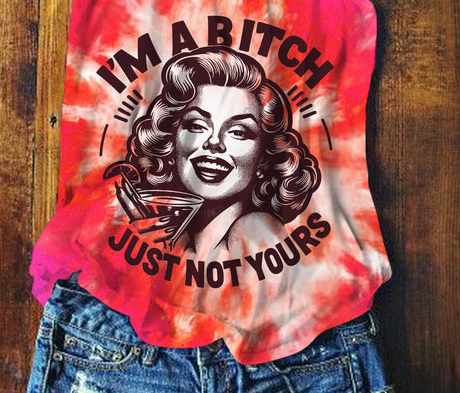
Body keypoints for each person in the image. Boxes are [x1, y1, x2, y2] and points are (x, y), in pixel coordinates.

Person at [105, 46, 321, 258]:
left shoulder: (256, 227)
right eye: (197, 125)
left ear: (264, 158)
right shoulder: (182, 235)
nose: (214, 142)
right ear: (172, 140)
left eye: (238, 132)